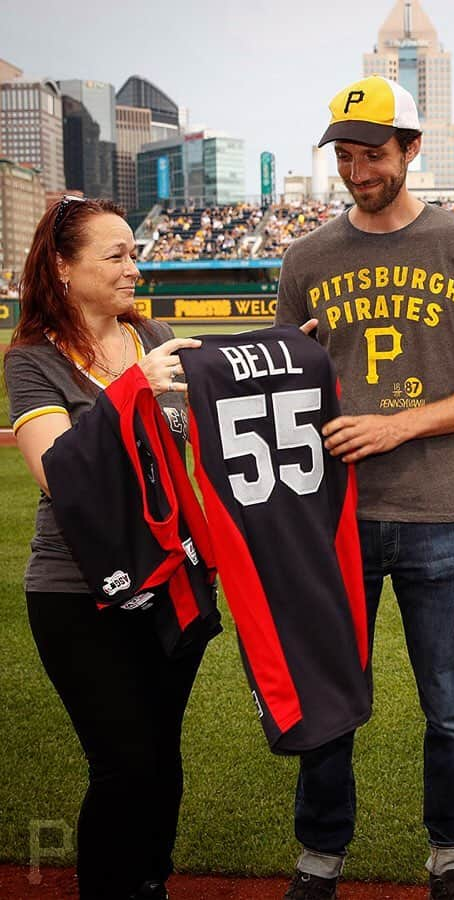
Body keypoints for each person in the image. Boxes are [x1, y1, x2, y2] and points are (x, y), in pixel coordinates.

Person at [275, 75, 454, 900]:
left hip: (437, 514)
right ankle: (321, 855)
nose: (357, 170)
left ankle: (449, 851)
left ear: (411, 149)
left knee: (448, 706)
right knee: (331, 702)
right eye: (344, 155)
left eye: (373, 154)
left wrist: (394, 425)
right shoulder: (306, 258)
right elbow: (277, 386)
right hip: (333, 517)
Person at [4, 196, 209, 900]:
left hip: (169, 576)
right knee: (122, 760)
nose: (133, 268)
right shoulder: (31, 359)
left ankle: (151, 879)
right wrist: (132, 387)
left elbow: (196, 439)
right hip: (76, 589)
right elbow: (56, 470)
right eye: (115, 256)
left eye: (134, 253)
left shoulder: (152, 334)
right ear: (62, 267)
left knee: (159, 752)